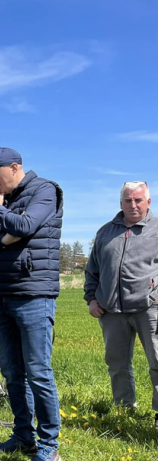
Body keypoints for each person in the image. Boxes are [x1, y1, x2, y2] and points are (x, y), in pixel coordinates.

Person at [0, 147, 63, 461]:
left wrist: (0, 214)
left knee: (38, 372)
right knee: (12, 372)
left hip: (34, 295)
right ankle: (23, 435)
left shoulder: (45, 191)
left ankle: (49, 445)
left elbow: (25, 226)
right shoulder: (2, 201)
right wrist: (3, 240)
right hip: (1, 294)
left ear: (14, 167)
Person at [84, 181, 158, 425]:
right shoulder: (105, 232)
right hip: (111, 311)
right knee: (117, 364)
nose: (133, 205)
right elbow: (92, 270)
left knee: (157, 361)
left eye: (138, 200)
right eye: (128, 200)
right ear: (121, 203)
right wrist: (91, 299)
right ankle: (124, 410)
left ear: (149, 202)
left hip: (150, 309)